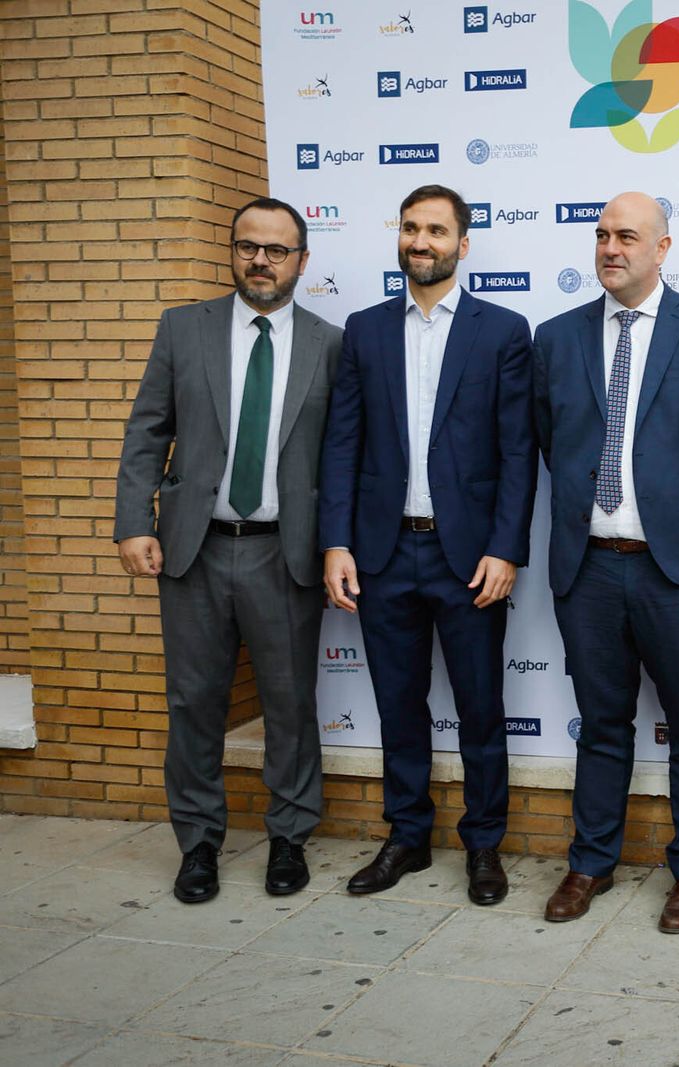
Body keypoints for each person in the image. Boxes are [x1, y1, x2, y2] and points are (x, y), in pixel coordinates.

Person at [532, 192, 679, 933]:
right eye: (600, 235)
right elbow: (546, 440)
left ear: (663, 248)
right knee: (601, 723)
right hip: (589, 568)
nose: (609, 248)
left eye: (626, 236)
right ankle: (590, 859)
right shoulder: (557, 338)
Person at [115, 198, 342, 903]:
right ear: (233, 251)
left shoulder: (330, 344)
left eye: (277, 250)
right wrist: (133, 520)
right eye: (249, 246)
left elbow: (344, 455)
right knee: (193, 703)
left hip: (287, 553)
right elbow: (148, 428)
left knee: (290, 704)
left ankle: (288, 838)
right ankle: (199, 844)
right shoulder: (185, 328)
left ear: (302, 261)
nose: (261, 261)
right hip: (195, 551)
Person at [318, 184, 535, 906]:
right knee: (397, 705)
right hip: (382, 555)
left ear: (462, 244)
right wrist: (337, 542)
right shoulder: (366, 329)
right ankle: (407, 836)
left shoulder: (503, 331)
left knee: (479, 707)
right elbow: (342, 444)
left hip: (467, 558)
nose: (421, 241)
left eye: (437, 230)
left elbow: (517, 453)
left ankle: (483, 845)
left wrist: (505, 550)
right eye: (411, 228)